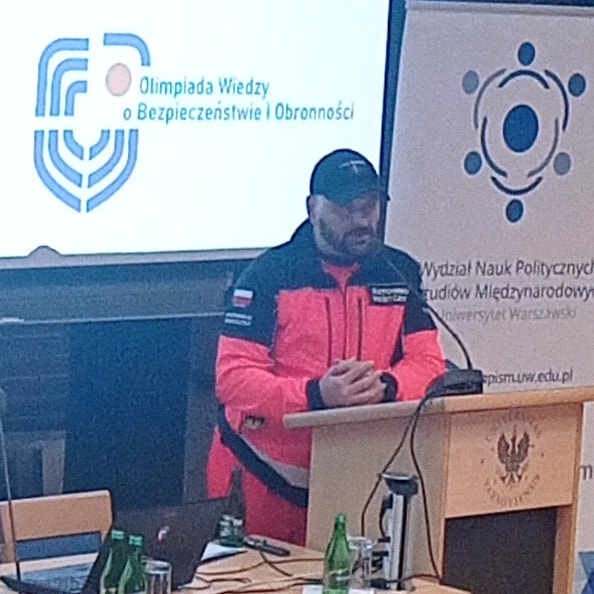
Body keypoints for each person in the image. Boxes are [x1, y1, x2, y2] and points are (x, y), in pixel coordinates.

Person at [207, 148, 446, 545]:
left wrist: (387, 386)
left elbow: (429, 362)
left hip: (354, 474)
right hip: (263, 475)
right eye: (347, 209)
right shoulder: (267, 276)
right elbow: (233, 380)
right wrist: (316, 395)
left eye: (369, 207)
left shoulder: (398, 272)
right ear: (313, 208)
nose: (362, 220)